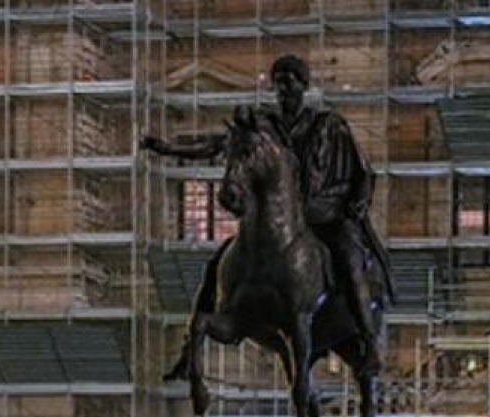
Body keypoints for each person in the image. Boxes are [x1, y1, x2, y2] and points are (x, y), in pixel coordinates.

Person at [142, 54, 391, 379]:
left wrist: (358, 203)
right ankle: (190, 351)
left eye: (290, 81)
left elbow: (364, 171)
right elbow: (218, 145)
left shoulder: (329, 125)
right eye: (279, 82)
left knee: (349, 259)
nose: (284, 88)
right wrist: (167, 149)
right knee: (217, 263)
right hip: (281, 221)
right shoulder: (266, 128)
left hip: (324, 216)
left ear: (303, 86)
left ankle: (369, 344)